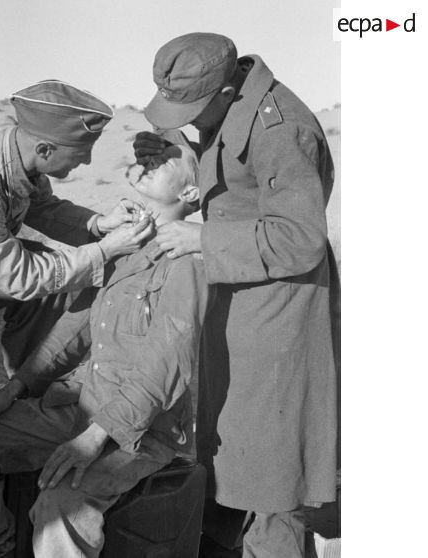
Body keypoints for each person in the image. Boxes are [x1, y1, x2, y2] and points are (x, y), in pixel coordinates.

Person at [134, 33, 339, 557]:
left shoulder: (282, 127)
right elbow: (238, 183)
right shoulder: (235, 107)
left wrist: (200, 237)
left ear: (227, 91)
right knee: (233, 459)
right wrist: (180, 153)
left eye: (193, 110)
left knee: (274, 479)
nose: (188, 119)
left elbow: (301, 238)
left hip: (280, 314)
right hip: (245, 301)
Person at [0, 145, 209, 558]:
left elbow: (168, 366)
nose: (149, 161)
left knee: (62, 506)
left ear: (189, 194)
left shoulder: (186, 263)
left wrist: (93, 438)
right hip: (82, 407)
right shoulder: (125, 247)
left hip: (139, 432)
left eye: (165, 158)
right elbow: (73, 330)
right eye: (146, 156)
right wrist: (14, 388)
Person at [0, 79, 153, 376]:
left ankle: (21, 389)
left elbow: (42, 206)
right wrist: (104, 251)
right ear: (46, 150)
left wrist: (99, 224)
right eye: (79, 153)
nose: (86, 161)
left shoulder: (21, 150)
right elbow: (20, 278)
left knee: (56, 287)